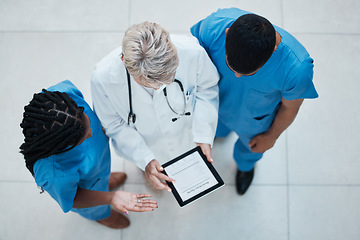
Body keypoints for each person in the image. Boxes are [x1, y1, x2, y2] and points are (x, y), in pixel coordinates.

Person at [191, 8, 318, 195]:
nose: (236, 75)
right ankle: (217, 134)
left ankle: (245, 167)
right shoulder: (213, 28)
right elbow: (192, 58)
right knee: (214, 128)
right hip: (216, 101)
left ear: (273, 51)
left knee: (251, 148)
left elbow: (290, 108)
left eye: (247, 73)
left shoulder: (296, 70)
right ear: (227, 34)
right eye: (230, 65)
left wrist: (272, 136)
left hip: (255, 121)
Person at [91, 22, 219, 192]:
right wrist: (145, 159)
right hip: (145, 143)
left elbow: (207, 89)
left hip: (187, 133)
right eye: (151, 84)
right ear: (124, 61)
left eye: (166, 80)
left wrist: (204, 134)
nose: (159, 88)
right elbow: (113, 125)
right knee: (152, 167)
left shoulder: (192, 52)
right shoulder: (103, 78)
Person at [19, 80, 158, 229]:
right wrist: (112, 198)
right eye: (85, 137)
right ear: (64, 146)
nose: (92, 132)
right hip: (85, 193)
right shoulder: (54, 173)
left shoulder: (62, 97)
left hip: (99, 164)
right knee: (95, 207)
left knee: (101, 176)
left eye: (89, 124)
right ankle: (101, 216)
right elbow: (73, 199)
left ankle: (104, 181)